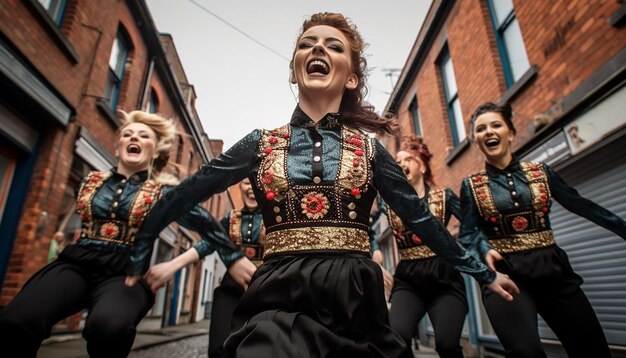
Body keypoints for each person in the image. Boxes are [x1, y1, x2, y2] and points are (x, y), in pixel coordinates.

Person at [128, 13, 518, 357]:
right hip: (277, 290)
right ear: (296, 67)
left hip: (353, 295)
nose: (317, 48)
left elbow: (423, 222)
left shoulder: (370, 151)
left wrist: (484, 274)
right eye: (306, 44)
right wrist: (140, 251)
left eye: (333, 46)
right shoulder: (260, 144)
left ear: (350, 77)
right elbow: (182, 196)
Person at [0, 110, 255, 358]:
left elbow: (206, 223)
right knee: (16, 320)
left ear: (155, 151)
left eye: (144, 136)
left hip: (125, 273)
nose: (134, 138)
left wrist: (232, 258)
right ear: (118, 145)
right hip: (75, 263)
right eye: (128, 134)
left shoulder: (162, 193)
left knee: (110, 328)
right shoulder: (91, 181)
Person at [458, 102, 626, 357]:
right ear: (476, 140)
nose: (488, 132)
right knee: (526, 352)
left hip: (552, 268)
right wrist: (483, 248)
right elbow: (468, 233)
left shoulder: (541, 173)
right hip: (506, 274)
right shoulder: (471, 185)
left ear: (511, 133)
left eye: (496, 125)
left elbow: (582, 205)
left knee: (592, 350)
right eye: (480, 129)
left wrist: (622, 228)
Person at [384, 135, 468, 358]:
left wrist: (470, 249)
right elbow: (367, 229)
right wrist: (375, 253)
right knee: (397, 340)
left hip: (444, 280)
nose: (400, 164)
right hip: (408, 281)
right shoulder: (390, 204)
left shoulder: (444, 197)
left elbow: (472, 227)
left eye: (406, 160)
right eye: (397, 162)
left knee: (447, 345)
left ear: (421, 166)